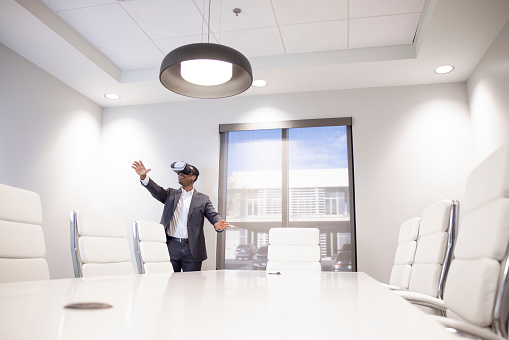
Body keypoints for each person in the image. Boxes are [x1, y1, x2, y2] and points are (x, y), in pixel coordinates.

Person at [132, 160, 230, 272]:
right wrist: (144, 176)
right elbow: (156, 190)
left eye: (184, 173)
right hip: (171, 246)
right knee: (170, 284)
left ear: (193, 177)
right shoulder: (170, 194)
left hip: (192, 249)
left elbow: (213, 214)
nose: (180, 174)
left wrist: (218, 224)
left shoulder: (203, 199)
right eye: (179, 173)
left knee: (192, 284)